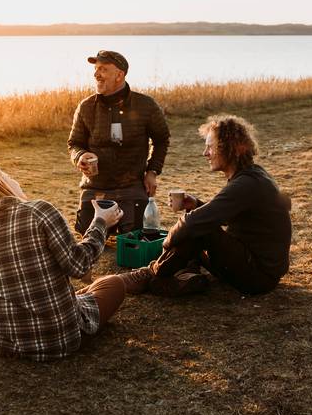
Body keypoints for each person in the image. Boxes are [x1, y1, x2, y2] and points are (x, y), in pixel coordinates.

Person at [0, 167, 130, 361]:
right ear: (2, 185)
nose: (16, 181)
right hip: (59, 338)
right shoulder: (39, 211)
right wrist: (101, 221)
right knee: (115, 283)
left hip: (4, 342)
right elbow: (79, 266)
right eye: (9, 177)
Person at [122, 115, 292, 297]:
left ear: (229, 148)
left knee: (198, 227)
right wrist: (196, 204)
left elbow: (193, 223)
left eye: (210, 147)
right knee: (199, 224)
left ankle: (151, 274)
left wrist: (167, 242)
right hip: (258, 268)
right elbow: (226, 216)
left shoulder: (247, 184)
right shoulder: (251, 175)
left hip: (258, 276)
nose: (205, 153)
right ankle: (186, 276)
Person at [68, 50, 170, 235]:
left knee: (135, 233)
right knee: (87, 232)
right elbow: (74, 143)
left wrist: (152, 171)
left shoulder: (146, 105)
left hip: (131, 186)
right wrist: (80, 156)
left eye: (103, 69)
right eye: (96, 69)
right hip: (95, 186)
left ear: (119, 75)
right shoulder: (86, 106)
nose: (96, 74)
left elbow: (162, 140)